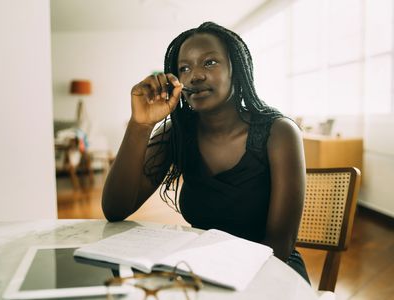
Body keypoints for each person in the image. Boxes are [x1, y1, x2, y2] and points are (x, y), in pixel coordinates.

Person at [102, 22, 310, 283]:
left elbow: (279, 244)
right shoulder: (175, 134)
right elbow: (115, 209)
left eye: (210, 63)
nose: (195, 76)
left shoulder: (279, 133)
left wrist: (211, 279)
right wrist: (140, 125)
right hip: (200, 266)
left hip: (268, 270)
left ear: (236, 69)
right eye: (184, 68)